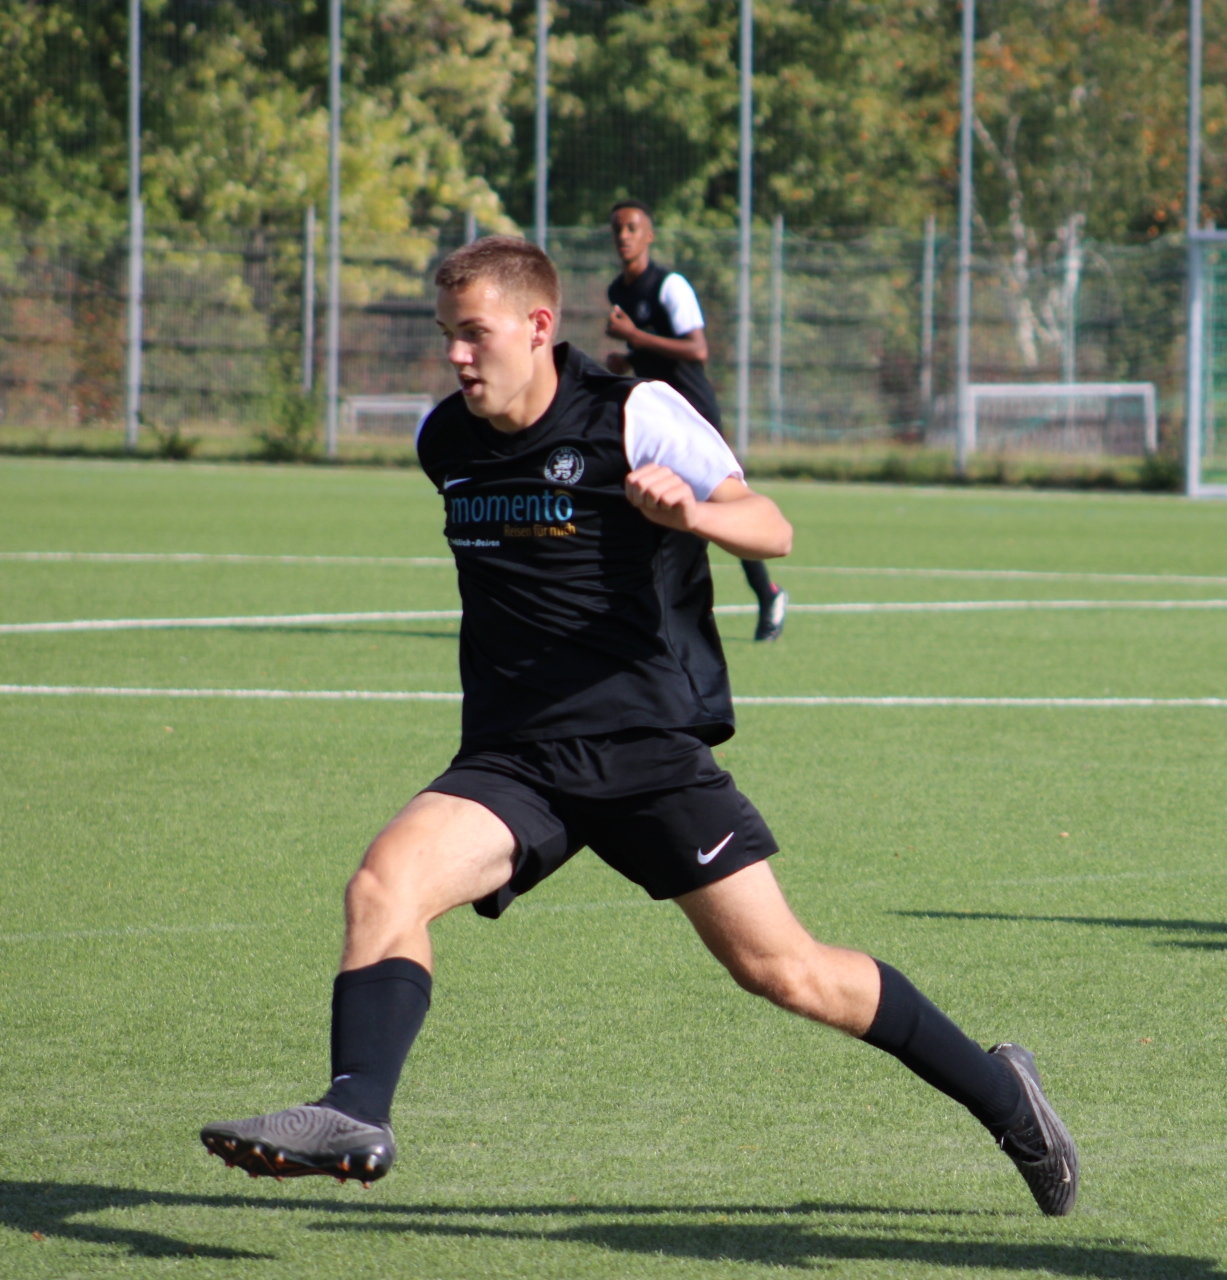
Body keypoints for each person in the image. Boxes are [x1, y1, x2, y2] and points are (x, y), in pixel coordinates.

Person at [199, 237, 1078, 1217]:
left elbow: (772, 525)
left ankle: (1007, 1096)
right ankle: (355, 1109)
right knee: (383, 883)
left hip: (642, 750)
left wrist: (694, 512)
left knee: (784, 970)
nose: (456, 356)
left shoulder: (635, 412)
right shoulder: (442, 438)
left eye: (474, 334)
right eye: (447, 335)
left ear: (539, 325)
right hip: (513, 757)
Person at [605, 199, 787, 642]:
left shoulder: (670, 286)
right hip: (653, 418)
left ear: (649, 235)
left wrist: (634, 337)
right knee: (646, 505)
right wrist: (628, 360)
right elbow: (650, 351)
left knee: (721, 505)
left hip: (693, 413)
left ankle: (767, 594)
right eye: (617, 229)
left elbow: (696, 349)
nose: (624, 236)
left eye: (632, 227)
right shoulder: (618, 290)